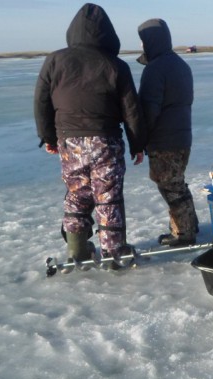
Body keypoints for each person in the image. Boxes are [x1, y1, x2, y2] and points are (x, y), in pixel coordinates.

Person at [34, 3, 146, 264]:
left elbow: (41, 102)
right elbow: (132, 109)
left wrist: (49, 137)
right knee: (107, 197)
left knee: (77, 193)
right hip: (105, 140)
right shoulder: (115, 65)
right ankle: (113, 253)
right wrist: (138, 144)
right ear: (108, 34)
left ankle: (77, 251)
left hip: (69, 140)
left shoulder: (54, 60)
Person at [137, 18, 199, 246]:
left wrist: (140, 137)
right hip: (182, 137)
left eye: (143, 41)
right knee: (177, 183)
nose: (142, 46)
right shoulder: (180, 64)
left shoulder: (156, 69)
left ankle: (183, 233)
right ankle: (189, 225)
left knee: (171, 186)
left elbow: (149, 109)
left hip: (165, 140)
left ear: (151, 41)